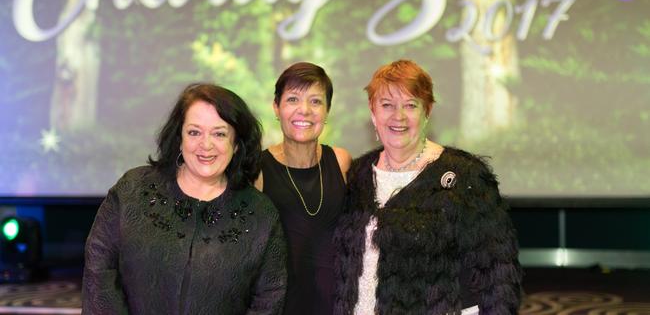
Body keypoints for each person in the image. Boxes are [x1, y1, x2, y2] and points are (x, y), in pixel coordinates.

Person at [333, 60, 522, 314]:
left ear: (427, 111)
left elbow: (498, 275)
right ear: (373, 112)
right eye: (386, 105)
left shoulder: (466, 176)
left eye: (410, 105)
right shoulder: (356, 176)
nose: (398, 116)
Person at [82, 83, 287, 314]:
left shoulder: (261, 214)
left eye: (219, 134)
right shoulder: (132, 190)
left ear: (237, 144)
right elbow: (99, 269)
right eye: (194, 132)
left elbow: (269, 298)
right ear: (179, 138)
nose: (206, 145)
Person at [255, 62, 351, 315]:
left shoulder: (341, 162)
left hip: (337, 304)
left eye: (316, 101)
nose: (304, 110)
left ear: (328, 110)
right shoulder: (258, 170)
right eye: (293, 99)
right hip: (280, 306)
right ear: (277, 107)